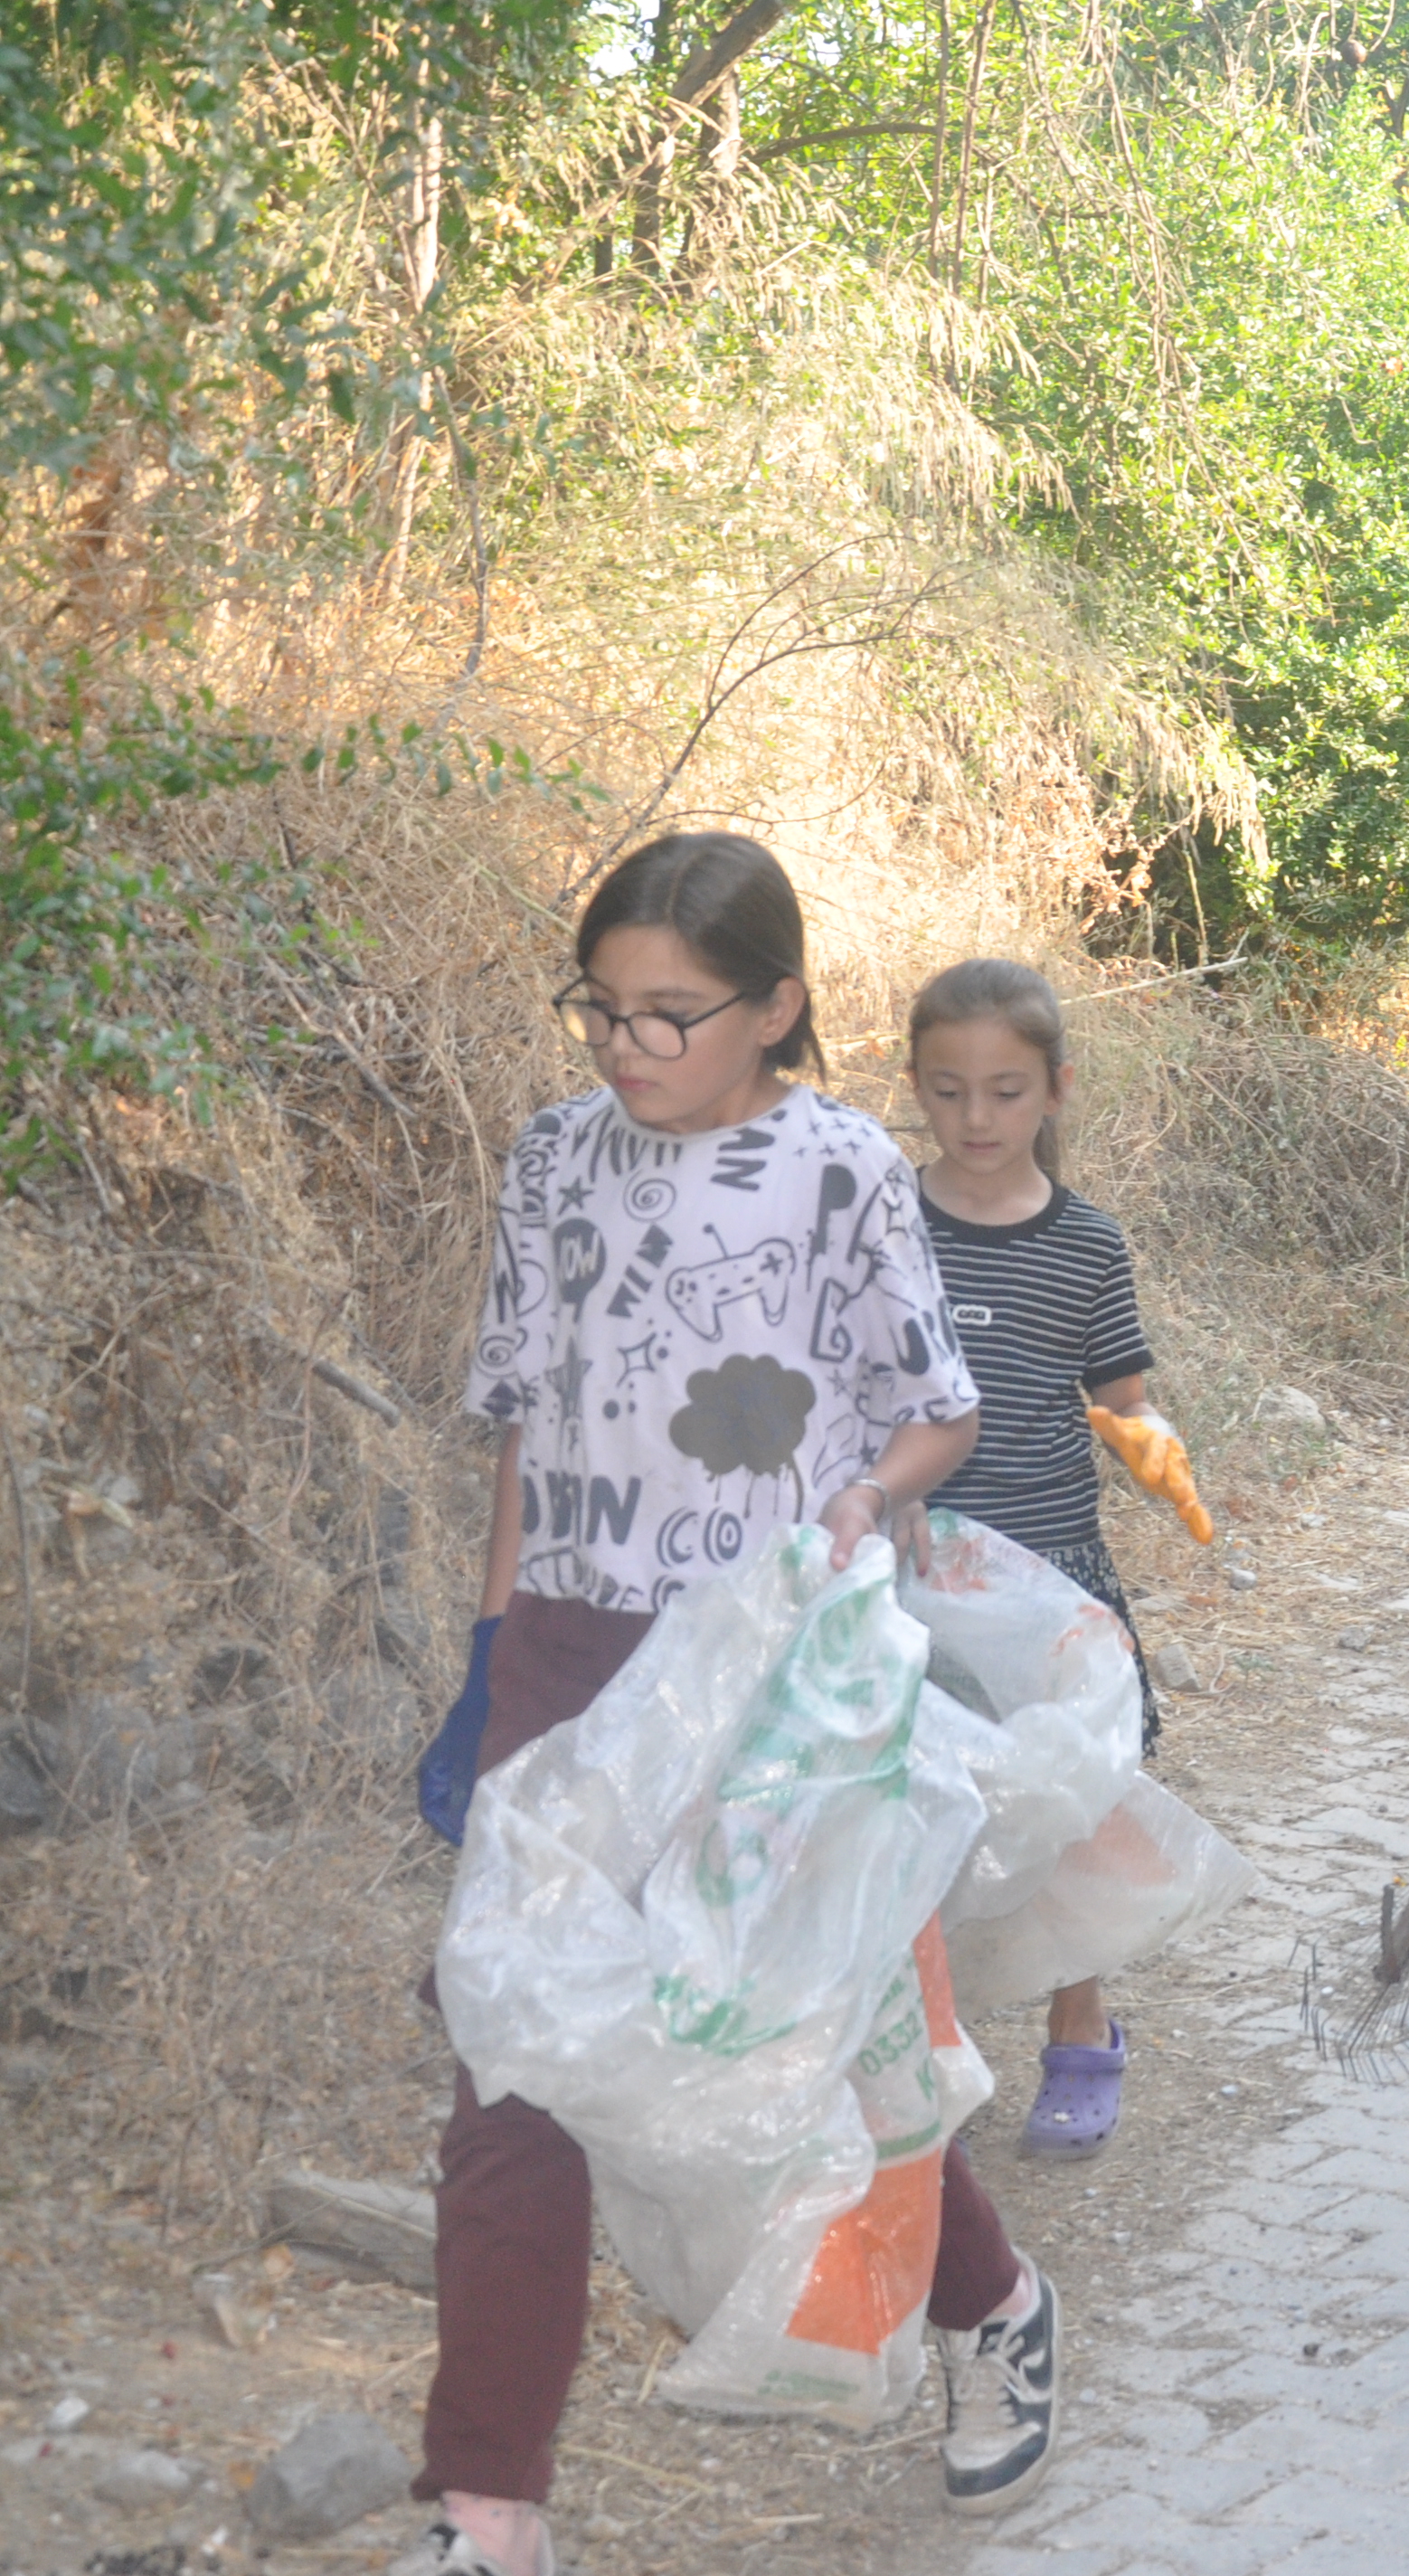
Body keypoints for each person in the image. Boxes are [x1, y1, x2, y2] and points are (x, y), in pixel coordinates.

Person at [417, 835, 1059, 2576]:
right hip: (565, 1648)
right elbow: (526, 1422)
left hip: (765, 1683)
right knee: (515, 2059)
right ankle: (490, 2502)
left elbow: (937, 1408)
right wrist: (493, 1664)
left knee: (813, 2053)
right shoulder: (553, 1155)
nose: (627, 1047)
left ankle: (990, 2304)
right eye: (602, 1010)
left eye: (670, 1014)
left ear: (775, 1006)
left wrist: (864, 1501)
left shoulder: (841, 1164)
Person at [904, 957, 1183, 2160]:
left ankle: (1083, 2031)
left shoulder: (1086, 1246)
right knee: (919, 1816)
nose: (977, 1120)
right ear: (915, 1087)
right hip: (919, 1579)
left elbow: (1125, 1399)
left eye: (1006, 1093)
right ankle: (921, 2054)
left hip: (1054, 1574)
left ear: (1055, 1091)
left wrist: (1155, 1451)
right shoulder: (882, 1225)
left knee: (1072, 1816)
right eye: (951, 1091)